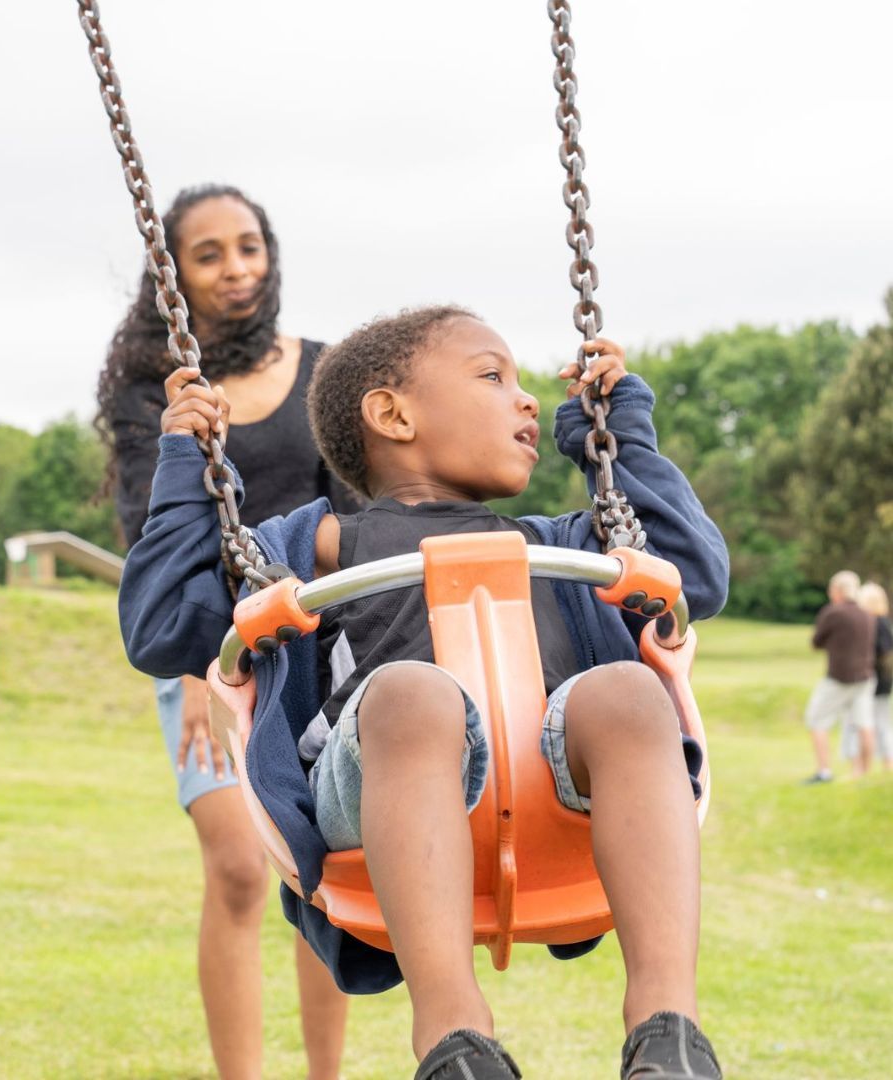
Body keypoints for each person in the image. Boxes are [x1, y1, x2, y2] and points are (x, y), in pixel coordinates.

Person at [119, 305, 730, 1079]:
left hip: (552, 788)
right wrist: (187, 463)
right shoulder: (310, 550)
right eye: (491, 375)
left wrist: (619, 435)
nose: (528, 398)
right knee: (412, 692)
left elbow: (691, 575)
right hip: (372, 797)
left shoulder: (558, 544)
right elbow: (164, 623)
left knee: (629, 693)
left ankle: (667, 1033)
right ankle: (453, 1040)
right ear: (391, 415)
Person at [97, 184, 356, 1079]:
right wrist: (206, 674)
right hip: (212, 651)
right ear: (173, 273)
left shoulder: (326, 369)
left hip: (323, 646)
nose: (236, 268)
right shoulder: (155, 390)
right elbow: (157, 535)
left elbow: (351, 518)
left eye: (248, 246)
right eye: (208, 255)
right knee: (242, 869)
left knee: (321, 869)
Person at [802, 570, 877, 783]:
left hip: (839, 677)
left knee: (816, 720)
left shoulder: (833, 613)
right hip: (865, 677)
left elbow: (817, 642)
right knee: (864, 723)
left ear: (838, 590)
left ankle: (824, 771)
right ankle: (863, 772)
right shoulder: (866, 613)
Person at [843, 582, 893, 772]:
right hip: (878, 681)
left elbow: (882, 653)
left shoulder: (877, 624)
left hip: (875, 681)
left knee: (871, 723)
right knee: (876, 723)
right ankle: (879, 763)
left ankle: (881, 763)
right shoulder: (880, 622)